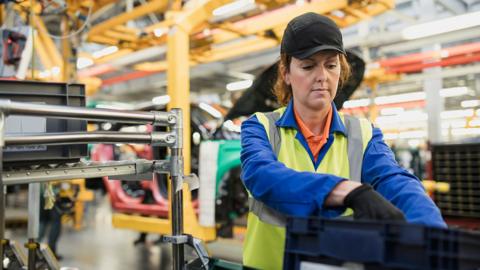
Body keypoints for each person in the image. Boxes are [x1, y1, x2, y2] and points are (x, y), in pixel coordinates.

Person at [240, 12, 446, 270]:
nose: (322, 76)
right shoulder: (261, 127)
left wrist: (433, 236)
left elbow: (394, 180)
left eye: (331, 64)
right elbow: (264, 177)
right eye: (308, 65)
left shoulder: (364, 133)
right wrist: (348, 191)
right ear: (286, 73)